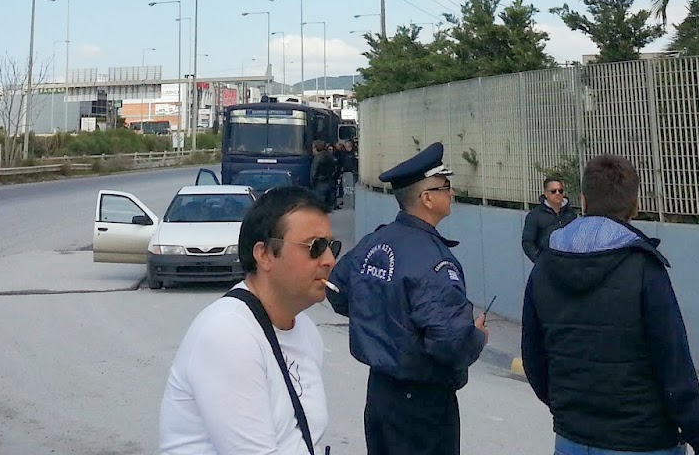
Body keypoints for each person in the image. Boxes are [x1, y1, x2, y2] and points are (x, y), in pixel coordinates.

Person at [521, 154, 699, 455]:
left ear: (583, 201)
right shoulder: (644, 268)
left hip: (571, 438)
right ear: (635, 206)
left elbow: (533, 357)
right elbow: (674, 364)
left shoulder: (545, 265)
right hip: (643, 440)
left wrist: (568, 410)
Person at [328, 142, 488, 455]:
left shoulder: (376, 241)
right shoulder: (432, 259)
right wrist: (477, 336)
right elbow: (451, 342)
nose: (452, 193)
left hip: (380, 394)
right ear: (427, 198)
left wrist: (384, 318)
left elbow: (337, 290)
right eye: (445, 187)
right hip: (423, 403)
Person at [159, 186, 338, 455]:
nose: (330, 260)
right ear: (264, 254)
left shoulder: (304, 329)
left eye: (332, 247)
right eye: (315, 247)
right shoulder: (229, 333)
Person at [521, 176, 578, 263]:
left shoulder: (571, 214)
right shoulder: (535, 216)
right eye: (553, 191)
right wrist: (540, 261)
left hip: (570, 263)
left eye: (560, 191)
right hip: (547, 265)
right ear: (545, 193)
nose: (557, 193)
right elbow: (527, 242)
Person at [309, 141, 337, 210]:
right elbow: (334, 169)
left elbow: (314, 172)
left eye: (313, 148)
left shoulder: (317, 158)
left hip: (320, 183)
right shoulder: (330, 156)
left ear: (316, 148)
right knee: (330, 205)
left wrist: (312, 183)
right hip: (330, 181)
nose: (312, 150)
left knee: (319, 206)